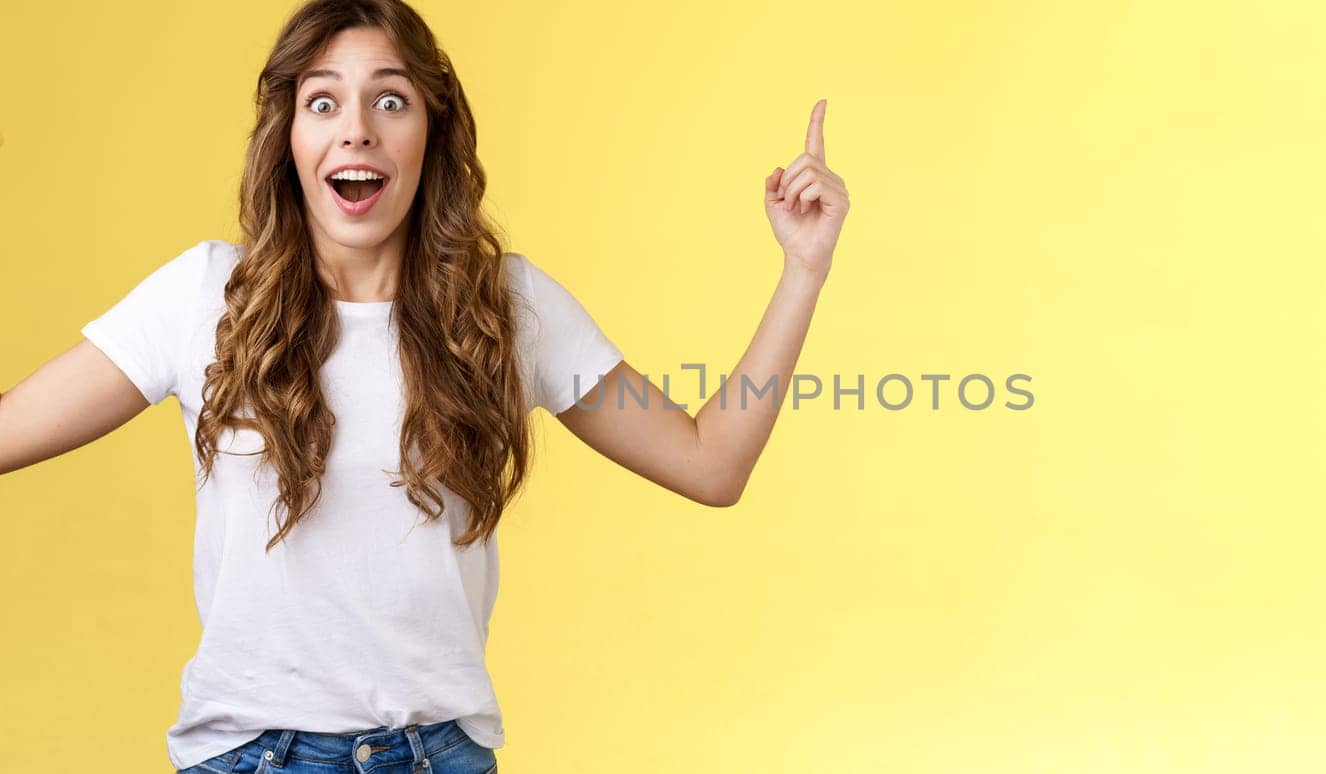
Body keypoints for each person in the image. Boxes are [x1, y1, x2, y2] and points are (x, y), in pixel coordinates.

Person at [0, 0, 850, 771]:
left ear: (432, 133)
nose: (357, 130)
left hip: (437, 756)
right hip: (249, 756)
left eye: (391, 100)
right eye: (323, 101)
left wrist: (803, 270)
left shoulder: (507, 311)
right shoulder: (204, 299)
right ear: (289, 139)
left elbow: (711, 463)